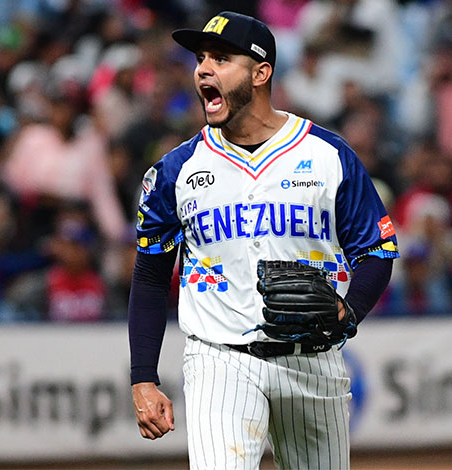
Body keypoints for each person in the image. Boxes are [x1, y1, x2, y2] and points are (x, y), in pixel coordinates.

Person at [128, 12, 399, 470]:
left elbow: (377, 251)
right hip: (219, 359)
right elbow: (151, 276)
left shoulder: (327, 155)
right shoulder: (176, 171)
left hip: (314, 359)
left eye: (221, 58)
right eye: (200, 58)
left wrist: (348, 312)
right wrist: (142, 378)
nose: (203, 69)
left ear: (260, 72)